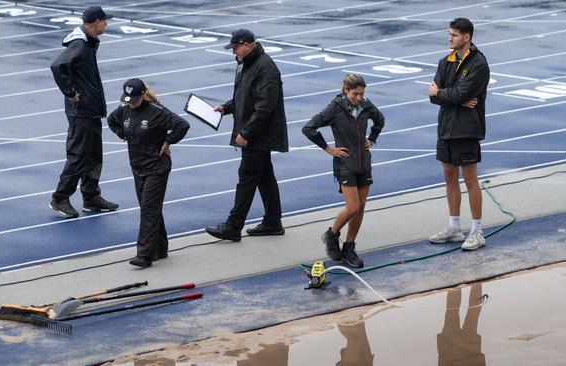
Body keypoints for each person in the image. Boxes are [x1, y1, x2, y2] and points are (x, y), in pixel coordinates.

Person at [205, 29, 288, 242]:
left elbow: (264, 106)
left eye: (235, 48)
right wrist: (227, 107)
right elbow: (246, 97)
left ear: (248, 45)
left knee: (247, 178)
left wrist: (246, 132)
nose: (234, 52)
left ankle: (233, 226)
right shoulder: (248, 64)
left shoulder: (265, 67)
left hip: (258, 135)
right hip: (256, 133)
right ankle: (273, 221)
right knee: (264, 176)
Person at [302, 73, 385, 268]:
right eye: (355, 94)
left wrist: (372, 138)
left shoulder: (365, 105)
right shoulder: (335, 108)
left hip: (364, 163)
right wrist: (328, 148)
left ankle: (349, 247)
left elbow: (380, 120)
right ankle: (331, 234)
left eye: (362, 94)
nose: (359, 97)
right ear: (345, 90)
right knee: (353, 207)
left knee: (361, 208)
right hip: (345, 164)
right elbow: (309, 128)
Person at [107, 79, 190, 268]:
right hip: (137, 168)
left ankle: (144, 254)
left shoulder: (156, 111)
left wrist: (168, 142)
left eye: (134, 99)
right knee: (151, 209)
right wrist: (124, 134)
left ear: (143, 95)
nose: (131, 103)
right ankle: (160, 247)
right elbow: (112, 121)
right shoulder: (124, 110)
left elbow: (182, 125)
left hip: (157, 168)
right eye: (128, 99)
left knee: (148, 209)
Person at [48, 5, 118, 218]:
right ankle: (60, 198)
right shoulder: (79, 44)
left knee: (94, 155)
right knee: (78, 156)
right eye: (105, 21)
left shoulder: (88, 42)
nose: (106, 24)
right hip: (81, 111)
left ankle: (91, 196)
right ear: (97, 22)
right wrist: (70, 92)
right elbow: (57, 65)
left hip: (90, 109)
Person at [428, 17, 490, 251]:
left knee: (470, 180)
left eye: (454, 35)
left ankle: (477, 231)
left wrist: (448, 95)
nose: (449, 38)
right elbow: (433, 96)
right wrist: (456, 98)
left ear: (467, 37)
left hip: (467, 130)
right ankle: (454, 227)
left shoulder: (479, 64)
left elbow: (452, 93)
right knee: (449, 177)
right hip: (446, 127)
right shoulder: (445, 61)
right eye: (449, 34)